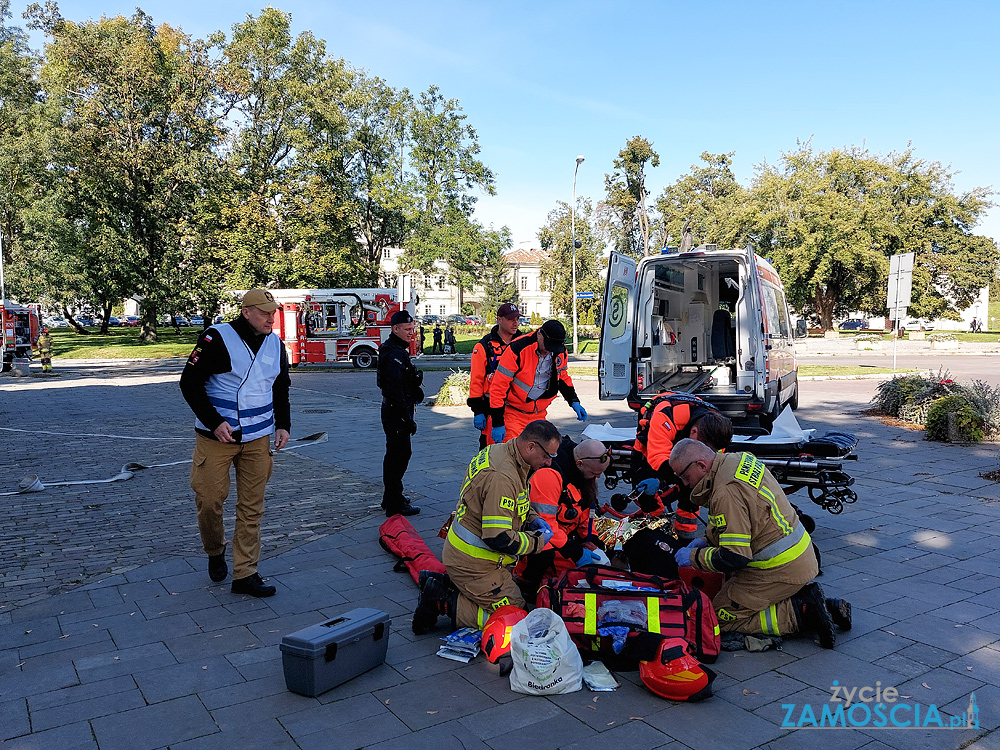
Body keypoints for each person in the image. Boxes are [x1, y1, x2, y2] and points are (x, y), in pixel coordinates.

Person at [668, 439, 852, 648]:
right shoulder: (737, 460)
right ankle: (823, 607)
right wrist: (705, 541)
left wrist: (693, 557)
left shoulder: (726, 491)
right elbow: (739, 521)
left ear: (701, 465)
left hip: (778, 568)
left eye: (684, 476)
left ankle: (801, 611)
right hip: (798, 556)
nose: (684, 483)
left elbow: (734, 557)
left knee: (716, 618)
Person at [180, 288, 290, 598]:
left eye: (274, 312)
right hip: (216, 438)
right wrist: (215, 422)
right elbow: (189, 383)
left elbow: (281, 387)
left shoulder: (275, 344)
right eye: (265, 312)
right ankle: (215, 550)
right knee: (210, 500)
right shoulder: (217, 338)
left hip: (258, 438)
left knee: (252, 508)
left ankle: (245, 574)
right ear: (246, 312)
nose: (272, 317)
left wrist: (283, 425)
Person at [412, 420, 562, 633]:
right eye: (548, 456)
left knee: (517, 609)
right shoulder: (503, 475)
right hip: (475, 564)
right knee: (518, 620)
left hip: (473, 556)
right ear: (531, 447)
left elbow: (515, 501)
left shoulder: (503, 452)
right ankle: (442, 600)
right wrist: (537, 542)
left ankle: (446, 583)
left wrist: (531, 517)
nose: (548, 463)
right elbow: (499, 538)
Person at [517, 437, 612, 603]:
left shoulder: (585, 471)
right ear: (580, 463)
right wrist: (576, 552)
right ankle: (526, 586)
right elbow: (544, 525)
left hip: (562, 536)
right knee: (546, 556)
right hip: (539, 536)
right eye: (594, 474)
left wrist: (591, 539)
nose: (596, 478)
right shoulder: (548, 475)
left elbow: (584, 510)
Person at [631, 392, 733, 543]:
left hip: (679, 438)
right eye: (701, 448)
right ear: (693, 432)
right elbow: (657, 458)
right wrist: (662, 481)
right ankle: (657, 532)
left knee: (693, 489)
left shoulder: (717, 429)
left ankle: (685, 539)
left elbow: (713, 461)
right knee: (645, 491)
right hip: (649, 450)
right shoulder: (666, 416)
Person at [488, 319, 587, 443]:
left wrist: (574, 401)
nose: (549, 351)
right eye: (548, 345)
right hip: (513, 413)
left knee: (539, 457)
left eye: (554, 347)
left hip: (538, 414)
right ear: (539, 334)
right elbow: (498, 387)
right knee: (512, 455)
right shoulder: (518, 348)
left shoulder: (559, 351)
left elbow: (562, 377)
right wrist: (498, 423)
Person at [377, 310, 423, 517]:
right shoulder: (394, 353)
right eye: (407, 329)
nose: (411, 333)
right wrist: (405, 418)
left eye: (412, 329)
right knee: (398, 456)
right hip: (396, 412)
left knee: (398, 454)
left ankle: (391, 497)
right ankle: (394, 502)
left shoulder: (396, 350)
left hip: (397, 410)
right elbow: (394, 388)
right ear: (395, 329)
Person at [467, 303, 521, 449]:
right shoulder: (484, 346)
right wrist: (478, 411)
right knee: (489, 454)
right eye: (511, 319)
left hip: (518, 408)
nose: (515, 323)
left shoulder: (523, 344)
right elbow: (476, 381)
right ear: (499, 320)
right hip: (492, 408)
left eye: (517, 318)